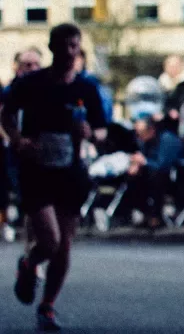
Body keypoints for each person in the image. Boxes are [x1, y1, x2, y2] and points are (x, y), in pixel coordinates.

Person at [4, 24, 108, 331]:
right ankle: (29, 264)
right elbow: (6, 113)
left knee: (64, 246)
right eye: (63, 46)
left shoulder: (86, 88)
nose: (68, 53)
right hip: (36, 170)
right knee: (49, 241)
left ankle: (47, 305)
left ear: (79, 50)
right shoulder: (32, 83)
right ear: (52, 48)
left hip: (70, 171)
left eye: (74, 46)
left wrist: (91, 132)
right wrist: (17, 139)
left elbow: (102, 130)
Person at [1, 48, 43, 243]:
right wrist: (16, 138)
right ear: (18, 68)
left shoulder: (46, 90)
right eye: (27, 65)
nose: (33, 69)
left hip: (42, 152)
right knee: (23, 194)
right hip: (16, 150)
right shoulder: (10, 92)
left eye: (36, 65)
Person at [126, 114, 183, 230]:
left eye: (141, 134)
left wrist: (144, 162)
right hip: (151, 175)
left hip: (173, 177)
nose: (139, 137)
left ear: (151, 130)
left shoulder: (166, 139)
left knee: (156, 177)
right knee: (132, 178)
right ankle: (144, 212)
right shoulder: (145, 142)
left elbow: (162, 165)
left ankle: (156, 215)